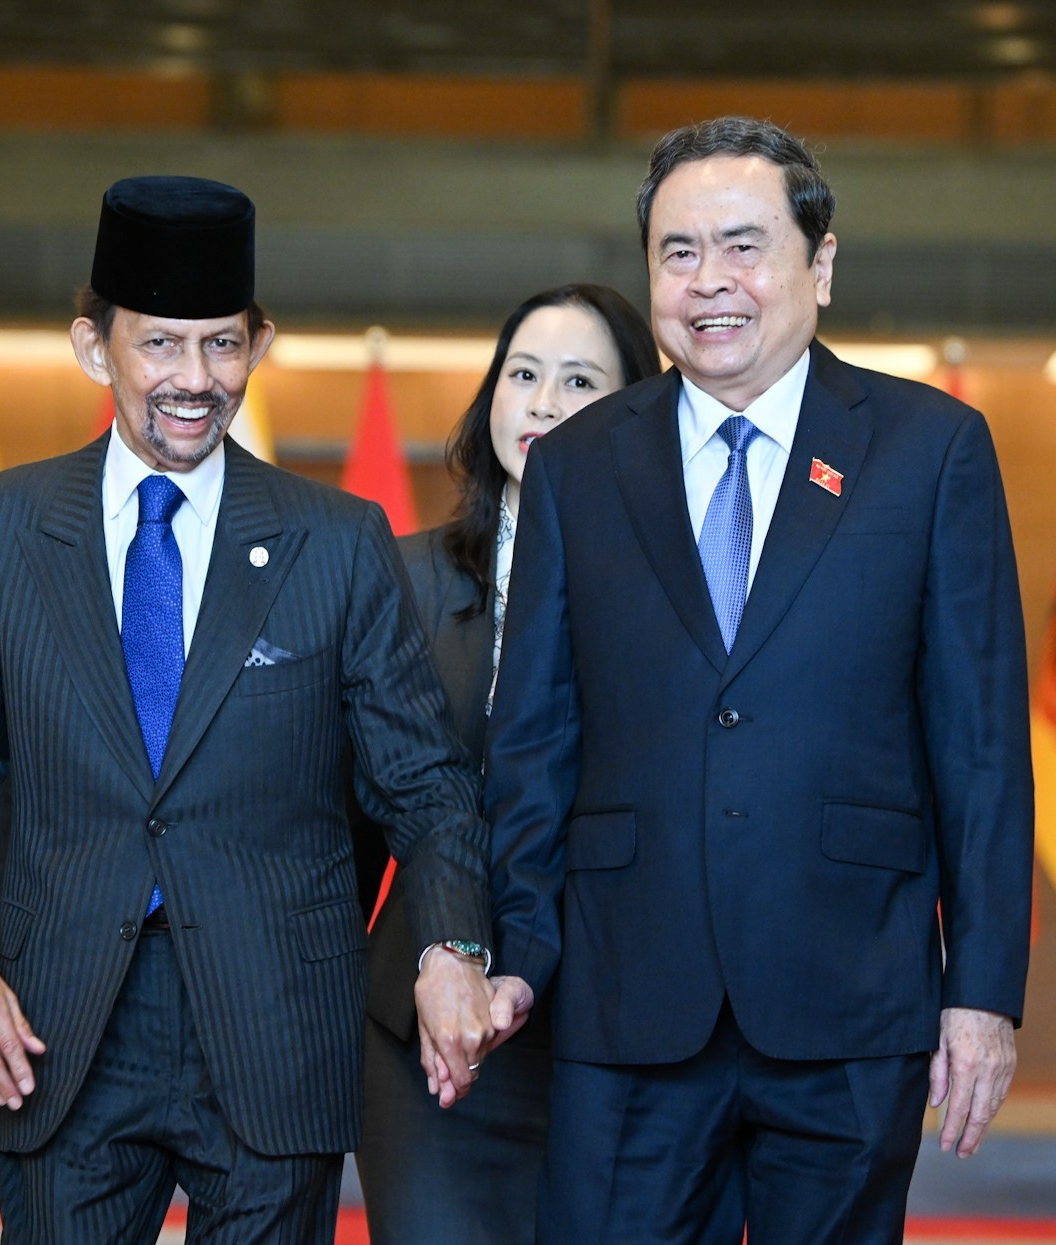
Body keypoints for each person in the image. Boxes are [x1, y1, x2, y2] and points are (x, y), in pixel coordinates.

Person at [0, 175, 521, 1245]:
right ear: (95, 348)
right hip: (61, 1029)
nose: (193, 378)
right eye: (161, 344)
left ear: (259, 345)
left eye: (222, 345)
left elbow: (426, 782)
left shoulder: (336, 540)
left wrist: (454, 945)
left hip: (276, 1029)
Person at [483, 116, 1033, 1243]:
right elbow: (534, 736)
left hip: (849, 996)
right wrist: (523, 952)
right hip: (625, 993)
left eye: (743, 245)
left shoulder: (931, 450)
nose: (708, 283)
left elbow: (980, 747)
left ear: (819, 265)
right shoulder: (580, 466)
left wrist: (980, 992)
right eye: (678, 252)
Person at [355, 283, 659, 1244]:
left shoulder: (676, 593)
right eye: (522, 374)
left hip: (612, 1035)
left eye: (579, 380)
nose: (542, 402)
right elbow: (350, 819)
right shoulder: (403, 578)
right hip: (429, 1040)